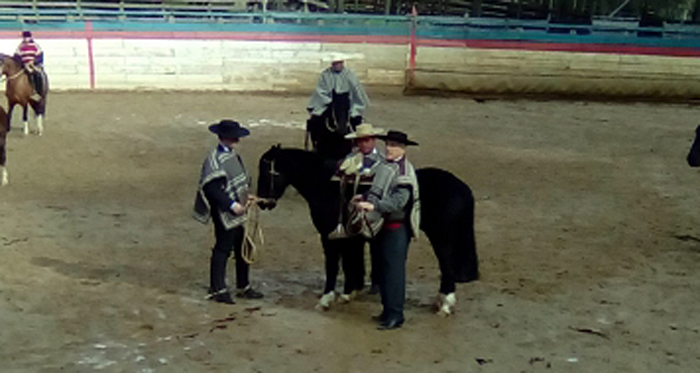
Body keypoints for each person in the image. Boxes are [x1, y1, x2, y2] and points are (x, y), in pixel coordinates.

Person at [193, 120, 263, 304]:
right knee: (223, 248)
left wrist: (246, 198)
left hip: (238, 210)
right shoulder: (214, 159)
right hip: (225, 211)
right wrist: (232, 205)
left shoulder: (231, 155)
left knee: (242, 246)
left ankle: (243, 285)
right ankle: (218, 288)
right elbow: (212, 189)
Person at [356, 130, 420, 330]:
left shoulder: (403, 172)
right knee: (383, 270)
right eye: (388, 144)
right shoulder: (386, 165)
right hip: (385, 226)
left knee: (393, 272)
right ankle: (387, 310)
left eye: (394, 145)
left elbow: (399, 202)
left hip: (396, 226)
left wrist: (374, 207)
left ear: (402, 148)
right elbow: (377, 188)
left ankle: (395, 314)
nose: (389, 148)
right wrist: (364, 198)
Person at [332, 123, 385, 296]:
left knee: (377, 246)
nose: (363, 144)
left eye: (366, 140)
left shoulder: (382, 163)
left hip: (374, 210)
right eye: (360, 141)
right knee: (353, 246)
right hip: (353, 210)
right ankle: (357, 281)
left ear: (374, 141)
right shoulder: (349, 160)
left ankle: (377, 280)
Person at [307, 53, 370, 153]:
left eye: (340, 63)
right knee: (316, 120)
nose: (338, 65)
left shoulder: (350, 74)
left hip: (347, 102)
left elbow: (356, 91)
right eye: (335, 63)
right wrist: (327, 101)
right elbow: (320, 91)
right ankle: (316, 142)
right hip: (329, 101)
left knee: (356, 121)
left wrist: (354, 105)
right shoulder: (325, 75)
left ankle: (358, 144)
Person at [14, 31, 44, 101]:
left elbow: (39, 55)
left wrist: (34, 62)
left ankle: (37, 92)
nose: (26, 39)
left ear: (30, 37)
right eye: (24, 37)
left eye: (27, 37)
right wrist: (23, 63)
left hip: (34, 65)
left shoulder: (35, 45)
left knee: (37, 75)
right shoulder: (20, 46)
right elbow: (16, 56)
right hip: (24, 65)